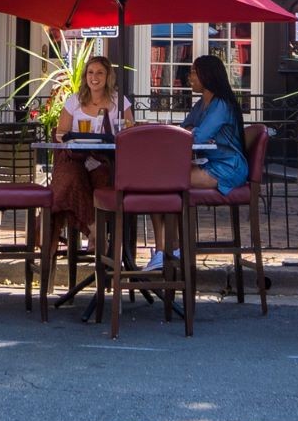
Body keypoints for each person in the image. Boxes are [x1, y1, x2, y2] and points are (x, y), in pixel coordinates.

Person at [145, 54, 247, 274]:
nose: (189, 76)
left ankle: (168, 249)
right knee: (156, 179)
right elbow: (185, 129)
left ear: (206, 75)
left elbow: (195, 137)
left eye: (193, 72)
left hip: (228, 167)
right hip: (211, 161)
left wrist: (192, 132)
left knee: (164, 181)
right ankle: (168, 248)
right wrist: (191, 132)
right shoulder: (203, 104)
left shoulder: (220, 104)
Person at [48, 55, 134, 237]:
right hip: (75, 157)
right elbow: (60, 134)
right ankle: (94, 231)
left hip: (105, 158)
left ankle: (100, 235)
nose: (94, 77)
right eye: (91, 72)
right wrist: (76, 138)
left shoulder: (119, 101)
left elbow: (129, 133)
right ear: (85, 76)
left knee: (102, 176)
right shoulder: (74, 100)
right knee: (70, 177)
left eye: (100, 73)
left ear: (108, 76)